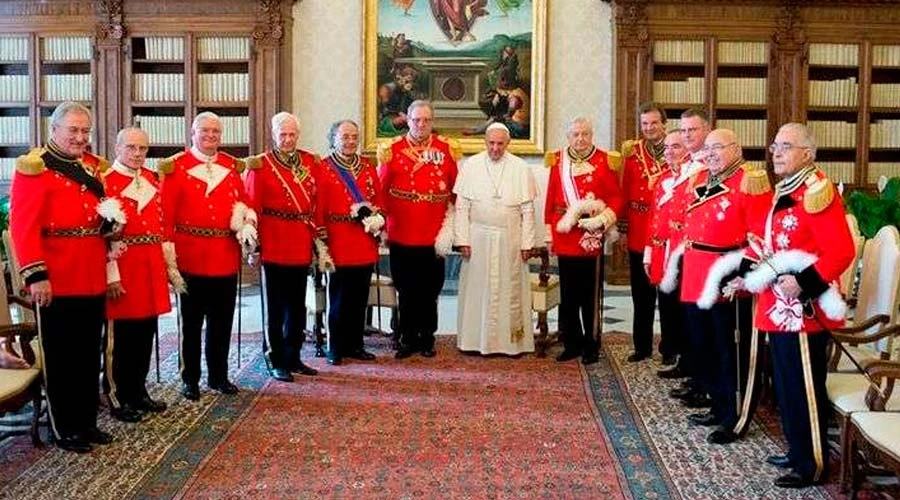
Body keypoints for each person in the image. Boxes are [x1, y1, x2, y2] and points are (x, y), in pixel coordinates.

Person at [727, 123, 854, 488]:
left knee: (802, 389)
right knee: (785, 385)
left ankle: (811, 465)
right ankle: (798, 449)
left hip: (802, 310)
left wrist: (803, 282)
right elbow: (772, 245)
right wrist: (748, 278)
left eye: (786, 146)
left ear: (807, 153)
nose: (776, 152)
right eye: (775, 145)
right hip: (777, 305)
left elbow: (841, 251)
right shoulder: (789, 189)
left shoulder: (816, 191)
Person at [10, 101, 122, 453]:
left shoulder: (91, 167)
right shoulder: (35, 167)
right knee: (61, 357)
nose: (80, 137)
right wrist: (36, 276)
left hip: (90, 273)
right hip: (55, 278)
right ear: (54, 130)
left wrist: (110, 224)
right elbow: (23, 228)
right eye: (73, 130)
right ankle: (65, 427)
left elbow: (93, 216)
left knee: (88, 353)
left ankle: (87, 421)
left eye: (85, 131)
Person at [676, 128, 771, 445]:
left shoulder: (750, 181)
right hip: (695, 275)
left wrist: (741, 274)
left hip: (726, 278)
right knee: (703, 347)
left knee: (729, 351)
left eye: (718, 147)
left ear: (736, 148)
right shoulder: (701, 177)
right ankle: (716, 405)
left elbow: (760, 237)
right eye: (708, 148)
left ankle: (735, 416)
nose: (711, 153)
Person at [159, 112, 257, 401]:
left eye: (216, 131)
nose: (211, 136)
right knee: (190, 323)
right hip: (190, 255)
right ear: (193, 132)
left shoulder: (230, 165)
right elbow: (165, 216)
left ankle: (218, 375)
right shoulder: (176, 167)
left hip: (224, 255)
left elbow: (243, 203)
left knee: (222, 321)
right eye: (205, 131)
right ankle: (190, 378)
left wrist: (248, 222)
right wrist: (168, 258)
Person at [245, 112, 328, 382]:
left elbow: (315, 204)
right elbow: (253, 208)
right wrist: (254, 247)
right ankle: (275, 356)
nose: (288, 139)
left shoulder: (309, 162)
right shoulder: (261, 164)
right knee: (276, 306)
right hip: (274, 241)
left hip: (300, 241)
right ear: (273, 134)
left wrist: (318, 241)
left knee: (297, 306)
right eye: (283, 134)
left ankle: (294, 355)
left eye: (292, 134)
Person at [378, 100, 460, 359]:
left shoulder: (446, 149)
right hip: (402, 229)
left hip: (434, 232)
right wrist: (380, 225)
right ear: (408, 121)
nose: (421, 125)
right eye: (416, 120)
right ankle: (406, 336)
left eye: (426, 120)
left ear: (432, 122)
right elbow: (381, 191)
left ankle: (427, 337)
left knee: (430, 288)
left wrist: (456, 227)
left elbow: (455, 191)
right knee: (406, 287)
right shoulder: (393, 150)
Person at [101, 127, 172, 422]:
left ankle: (139, 390)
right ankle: (118, 395)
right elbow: (102, 236)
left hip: (150, 264)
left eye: (143, 148)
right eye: (131, 147)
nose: (138, 154)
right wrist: (111, 274)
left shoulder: (152, 179)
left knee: (146, 331)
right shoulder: (105, 182)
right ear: (118, 148)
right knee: (121, 338)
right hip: (124, 266)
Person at [544, 117, 624, 365]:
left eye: (585, 134)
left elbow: (616, 199)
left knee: (589, 295)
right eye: (575, 134)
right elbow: (549, 201)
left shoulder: (604, 160)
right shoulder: (557, 161)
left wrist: (602, 220)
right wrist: (549, 235)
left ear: (592, 136)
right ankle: (571, 342)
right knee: (568, 294)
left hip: (590, 235)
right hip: (566, 235)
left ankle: (591, 343)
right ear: (568, 137)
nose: (580, 139)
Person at [454, 122, 537, 355]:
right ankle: (473, 341)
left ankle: (510, 343)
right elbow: (462, 207)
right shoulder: (471, 166)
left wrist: (527, 243)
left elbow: (527, 211)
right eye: (491, 143)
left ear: (508, 143)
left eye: (500, 144)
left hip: (510, 238)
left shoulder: (520, 168)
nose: (495, 148)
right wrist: (462, 239)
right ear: (485, 142)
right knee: (477, 290)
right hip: (477, 237)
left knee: (508, 291)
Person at [316, 120, 384, 366]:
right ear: (334, 138)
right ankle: (335, 346)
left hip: (363, 239)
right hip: (338, 238)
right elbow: (319, 205)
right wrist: (321, 241)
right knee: (339, 297)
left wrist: (379, 219)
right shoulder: (324, 167)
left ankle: (355, 344)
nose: (350, 141)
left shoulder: (366, 166)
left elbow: (378, 199)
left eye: (354, 137)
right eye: (345, 137)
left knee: (358, 296)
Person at [661, 108, 711, 390]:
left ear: (706, 130)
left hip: (702, 254)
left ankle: (701, 380)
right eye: (684, 130)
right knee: (687, 317)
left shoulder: (708, 165)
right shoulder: (690, 164)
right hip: (683, 249)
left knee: (700, 323)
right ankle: (692, 372)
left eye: (693, 130)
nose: (688, 135)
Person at [620, 102, 668, 363]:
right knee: (641, 293)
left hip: (665, 230)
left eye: (654, 123)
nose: (649, 128)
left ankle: (670, 347)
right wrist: (624, 229)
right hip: (639, 228)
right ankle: (642, 346)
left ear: (664, 124)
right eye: (645, 124)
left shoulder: (675, 151)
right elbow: (626, 191)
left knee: (669, 295)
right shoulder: (632, 152)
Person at [644, 130, 691, 376]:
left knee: (683, 306)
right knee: (666, 303)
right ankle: (670, 349)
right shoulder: (662, 180)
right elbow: (654, 218)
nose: (670, 152)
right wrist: (648, 253)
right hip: (662, 250)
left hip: (684, 252)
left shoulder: (693, 178)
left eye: (677, 147)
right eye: (668, 148)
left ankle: (685, 356)